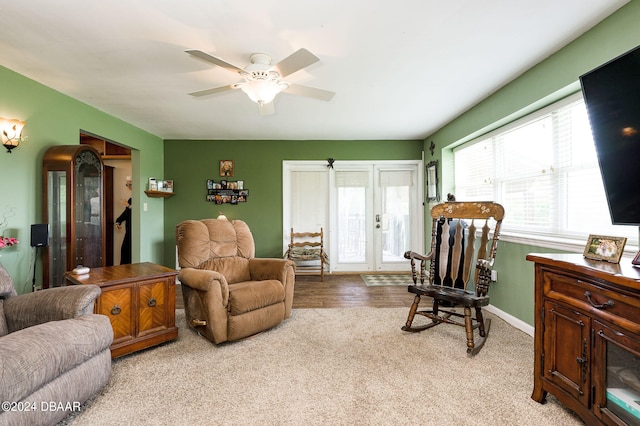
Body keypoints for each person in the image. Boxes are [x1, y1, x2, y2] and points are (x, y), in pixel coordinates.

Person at [115, 177, 132, 264]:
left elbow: (138, 212)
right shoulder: (131, 198)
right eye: (127, 185)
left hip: (134, 230)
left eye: (130, 184)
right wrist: (118, 221)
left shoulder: (138, 197)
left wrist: (128, 205)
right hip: (129, 229)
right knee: (125, 251)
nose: (129, 186)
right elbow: (126, 213)